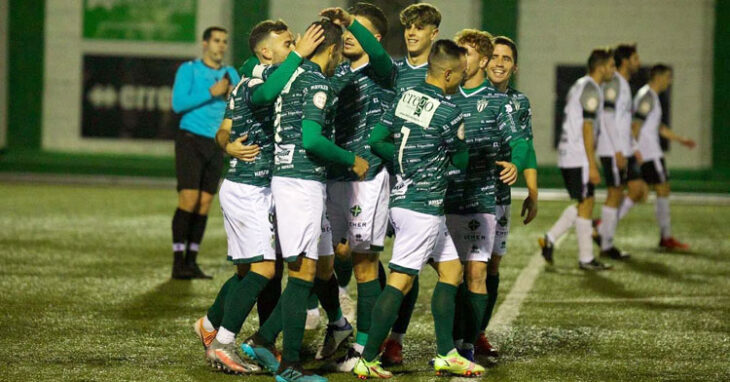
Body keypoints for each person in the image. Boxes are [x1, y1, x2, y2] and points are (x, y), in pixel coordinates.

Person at [239, 19, 369, 382]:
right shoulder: (313, 80)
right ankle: (289, 366)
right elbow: (311, 140)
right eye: (339, 51)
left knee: (316, 268)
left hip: (299, 182)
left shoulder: (290, 74)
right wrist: (351, 159)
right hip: (299, 184)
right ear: (332, 50)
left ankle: (266, 340)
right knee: (302, 272)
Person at [193, 21, 325, 374]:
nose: (295, 45)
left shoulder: (261, 73)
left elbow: (226, 128)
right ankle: (223, 343)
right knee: (264, 269)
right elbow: (262, 99)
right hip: (250, 187)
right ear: (266, 52)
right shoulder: (256, 79)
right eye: (287, 42)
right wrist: (300, 55)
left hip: (253, 186)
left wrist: (226, 143)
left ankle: (210, 324)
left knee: (248, 271)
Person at [354, 40, 485, 379]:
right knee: (400, 281)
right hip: (423, 207)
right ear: (449, 73)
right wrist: (443, 165)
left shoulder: (405, 97)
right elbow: (461, 161)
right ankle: (367, 359)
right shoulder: (450, 111)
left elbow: (377, 140)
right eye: (461, 72)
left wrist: (405, 159)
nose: (462, 77)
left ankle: (446, 353)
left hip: (406, 200)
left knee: (451, 272)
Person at [332, 2, 443, 365]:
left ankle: (389, 340)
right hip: (348, 176)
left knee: (413, 266)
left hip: (397, 182)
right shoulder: (392, 72)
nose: (412, 33)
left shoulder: (410, 72)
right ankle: (342, 324)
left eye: (420, 27)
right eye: (408, 27)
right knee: (347, 259)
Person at [317, 3, 395, 371]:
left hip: (366, 179)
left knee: (365, 264)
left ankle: (364, 349)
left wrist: (348, 21)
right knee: (320, 260)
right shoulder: (336, 74)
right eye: (346, 30)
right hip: (332, 175)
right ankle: (337, 323)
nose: (347, 35)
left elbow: (378, 54)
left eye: (356, 30)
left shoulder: (384, 71)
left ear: (373, 37)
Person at [445, 29, 519, 362]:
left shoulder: (500, 102)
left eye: (469, 52)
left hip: (480, 200)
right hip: (442, 200)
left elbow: (518, 140)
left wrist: (516, 163)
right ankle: (434, 342)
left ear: (482, 60)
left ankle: (468, 345)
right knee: (445, 274)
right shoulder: (444, 94)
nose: (462, 57)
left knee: (476, 273)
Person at [476, 35, 539, 357]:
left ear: (515, 67)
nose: (500, 63)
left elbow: (525, 146)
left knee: (493, 265)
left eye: (506, 58)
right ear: (484, 61)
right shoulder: (468, 94)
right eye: (495, 56)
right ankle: (460, 331)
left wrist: (532, 189)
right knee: (465, 266)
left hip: (499, 195)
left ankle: (479, 333)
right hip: (467, 194)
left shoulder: (519, 102)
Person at [170, 26, 240, 279]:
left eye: (224, 41)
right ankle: (178, 262)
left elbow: (239, 104)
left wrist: (234, 96)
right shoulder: (189, 70)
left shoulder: (231, 73)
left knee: (205, 203)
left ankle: (192, 261)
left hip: (215, 143)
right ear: (204, 44)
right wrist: (212, 92)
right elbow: (178, 104)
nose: (221, 45)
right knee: (188, 199)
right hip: (191, 139)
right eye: (216, 41)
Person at [539, 48, 615, 270]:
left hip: (570, 154)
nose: (613, 70)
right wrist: (592, 163)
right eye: (611, 65)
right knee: (586, 204)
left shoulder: (580, 85)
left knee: (584, 203)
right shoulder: (591, 88)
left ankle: (550, 239)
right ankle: (586, 258)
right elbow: (587, 127)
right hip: (578, 156)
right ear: (600, 67)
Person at [630, 64, 696, 249]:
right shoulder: (648, 97)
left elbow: (658, 128)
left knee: (639, 193)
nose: (670, 80)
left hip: (648, 152)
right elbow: (636, 126)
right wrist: (635, 151)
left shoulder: (651, 97)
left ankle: (603, 225)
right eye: (668, 76)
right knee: (661, 189)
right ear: (658, 77)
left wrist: (681, 140)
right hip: (649, 153)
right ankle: (666, 237)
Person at [594, 43, 641, 260]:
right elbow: (606, 116)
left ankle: (604, 237)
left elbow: (623, 121)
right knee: (614, 193)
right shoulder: (614, 83)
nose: (638, 63)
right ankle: (605, 243)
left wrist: (632, 147)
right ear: (625, 61)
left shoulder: (623, 84)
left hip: (619, 149)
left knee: (618, 192)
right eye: (635, 58)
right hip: (612, 149)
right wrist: (618, 151)